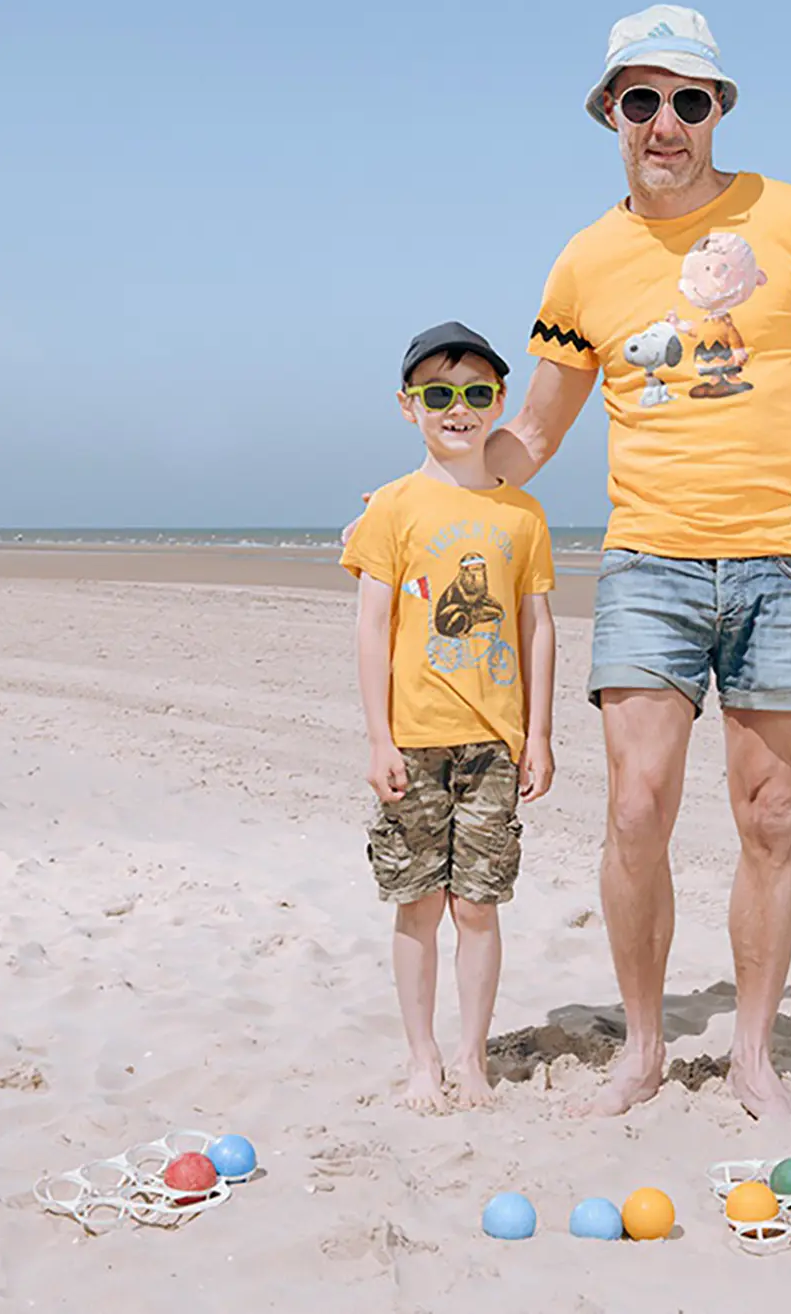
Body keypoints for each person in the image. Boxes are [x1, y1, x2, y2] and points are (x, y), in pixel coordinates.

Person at [483, 5, 791, 1121]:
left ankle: (753, 1055)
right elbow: (536, 431)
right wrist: (440, 477)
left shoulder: (790, 218)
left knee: (771, 813)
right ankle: (643, 1048)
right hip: (649, 566)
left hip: (781, 562)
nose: (665, 122)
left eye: (688, 100)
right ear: (608, 113)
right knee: (634, 811)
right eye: (642, 99)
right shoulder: (585, 261)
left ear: (718, 111)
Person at [341, 322, 556, 1112]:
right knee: (419, 904)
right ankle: (421, 1057)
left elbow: (537, 626)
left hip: (495, 744)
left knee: (478, 905)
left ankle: (471, 1056)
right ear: (410, 407)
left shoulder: (522, 514)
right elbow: (371, 628)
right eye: (438, 394)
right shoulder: (392, 507)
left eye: (474, 393)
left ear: (498, 402)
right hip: (414, 739)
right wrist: (379, 738)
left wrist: (540, 734)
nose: (457, 408)